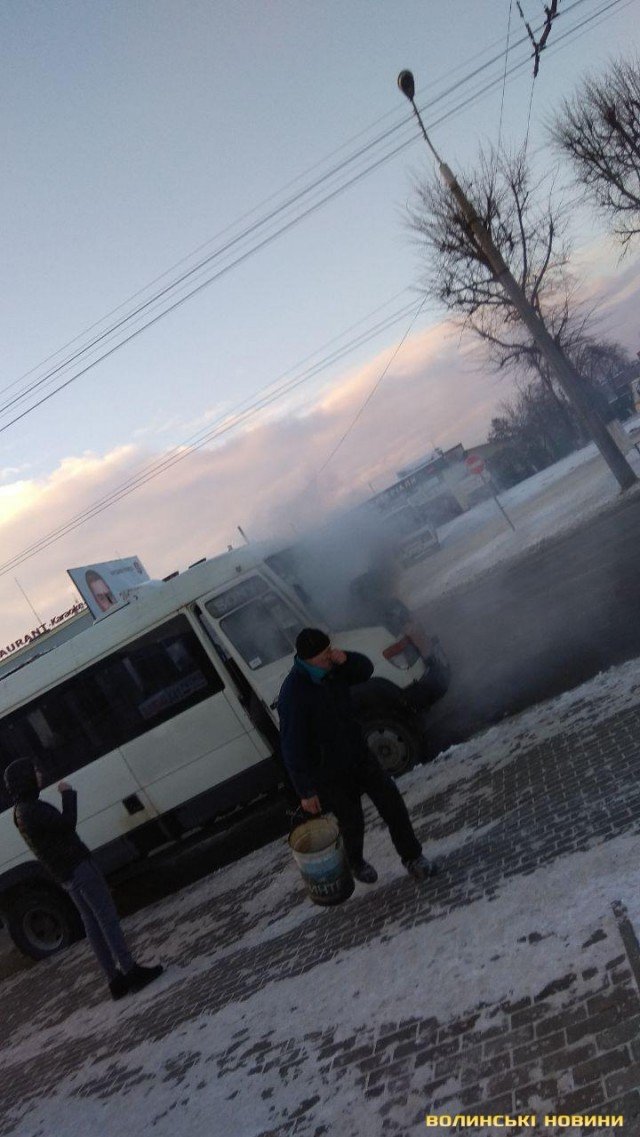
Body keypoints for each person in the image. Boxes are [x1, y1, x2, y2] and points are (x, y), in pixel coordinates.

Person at [278, 627, 436, 884]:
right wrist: (305, 791)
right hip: (329, 770)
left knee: (392, 804)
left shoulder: (334, 667)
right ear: (308, 659)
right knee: (352, 821)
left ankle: (413, 858)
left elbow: (365, 671)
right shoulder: (294, 693)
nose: (330, 656)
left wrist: (348, 659)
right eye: (324, 655)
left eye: (330, 650)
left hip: (359, 753)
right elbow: (291, 745)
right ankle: (356, 862)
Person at [4, 758, 163, 1000]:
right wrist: (68, 794)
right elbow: (67, 824)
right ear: (24, 779)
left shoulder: (20, 812)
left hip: (66, 874)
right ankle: (131, 971)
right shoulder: (34, 808)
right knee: (106, 918)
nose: (39, 773)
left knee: (91, 922)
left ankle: (115, 980)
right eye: (34, 771)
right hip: (79, 867)